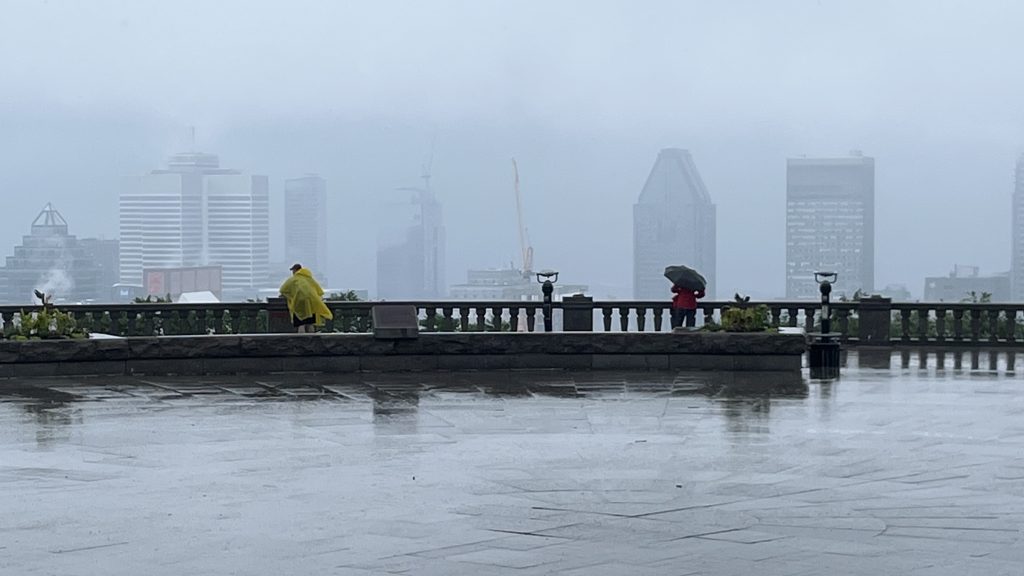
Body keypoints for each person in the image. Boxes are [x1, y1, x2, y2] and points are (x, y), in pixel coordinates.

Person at [279, 264, 333, 333]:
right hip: (310, 303)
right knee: (310, 323)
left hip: (299, 302)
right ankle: (311, 339)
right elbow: (318, 290)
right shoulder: (309, 278)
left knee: (301, 323)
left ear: (295, 270)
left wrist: (289, 296)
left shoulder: (294, 279)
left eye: (293, 270)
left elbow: (283, 290)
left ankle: (302, 340)